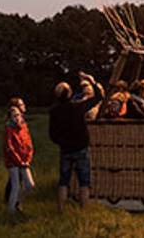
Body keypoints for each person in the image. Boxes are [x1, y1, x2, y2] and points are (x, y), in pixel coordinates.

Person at [48, 71, 103, 213]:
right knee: (84, 182)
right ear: (69, 94)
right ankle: (84, 210)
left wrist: (61, 143)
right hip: (81, 149)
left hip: (65, 150)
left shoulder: (54, 111)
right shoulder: (77, 108)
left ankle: (60, 210)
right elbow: (98, 97)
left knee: (63, 181)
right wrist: (92, 80)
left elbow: (52, 134)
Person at [3, 103, 34, 215]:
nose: (17, 118)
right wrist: (19, 161)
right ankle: (11, 211)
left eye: (18, 115)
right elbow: (9, 147)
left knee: (30, 185)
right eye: (14, 116)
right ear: (10, 118)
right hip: (13, 162)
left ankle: (18, 202)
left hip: (24, 161)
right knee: (15, 185)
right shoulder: (8, 129)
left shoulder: (24, 127)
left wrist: (28, 159)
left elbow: (29, 144)